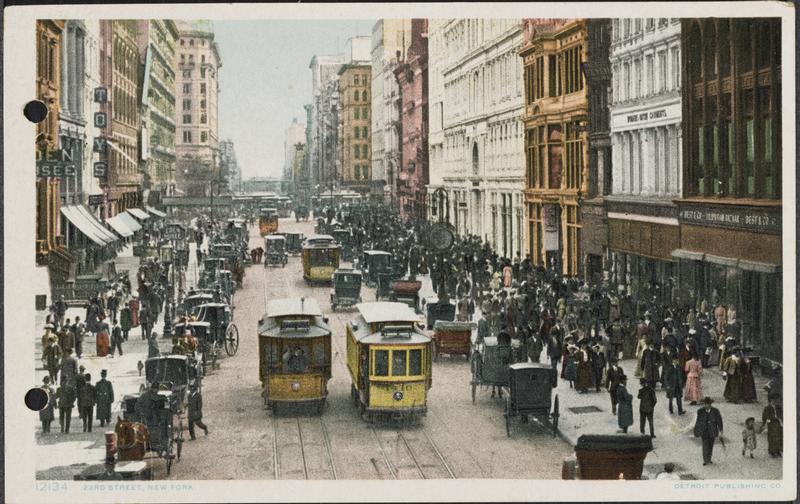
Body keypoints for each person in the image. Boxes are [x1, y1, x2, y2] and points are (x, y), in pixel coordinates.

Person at [693, 397, 724, 466]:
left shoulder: (715, 411)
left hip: (713, 431)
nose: (707, 405)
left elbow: (719, 420)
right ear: (704, 404)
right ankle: (705, 460)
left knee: (710, 445)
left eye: (708, 404)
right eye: (706, 404)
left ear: (710, 404)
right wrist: (696, 430)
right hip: (704, 431)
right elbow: (698, 421)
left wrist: (720, 429)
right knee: (705, 445)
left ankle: (709, 459)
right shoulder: (700, 411)